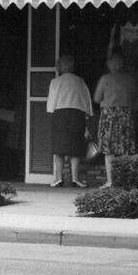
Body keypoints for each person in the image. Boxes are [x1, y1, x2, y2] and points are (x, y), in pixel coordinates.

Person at [46, 53, 92, 187]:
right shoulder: (80, 81)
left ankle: (58, 178)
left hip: (60, 114)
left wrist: (51, 113)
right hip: (77, 114)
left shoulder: (56, 81)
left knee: (59, 147)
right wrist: (88, 115)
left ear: (59, 67)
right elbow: (86, 99)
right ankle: (75, 179)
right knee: (75, 148)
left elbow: (51, 102)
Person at [92, 48, 137, 186]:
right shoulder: (129, 79)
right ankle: (125, 180)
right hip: (125, 114)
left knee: (109, 150)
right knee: (126, 149)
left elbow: (97, 98)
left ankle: (111, 181)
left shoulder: (105, 79)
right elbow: (134, 97)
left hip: (109, 115)